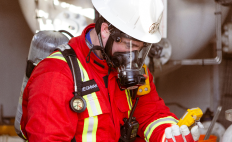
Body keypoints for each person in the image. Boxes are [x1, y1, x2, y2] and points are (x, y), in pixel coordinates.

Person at [19, 0, 200, 142]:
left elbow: (151, 113)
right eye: (130, 45)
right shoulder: (56, 75)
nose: (134, 56)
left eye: (141, 48)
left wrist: (169, 134)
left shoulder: (131, 70)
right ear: (106, 30)